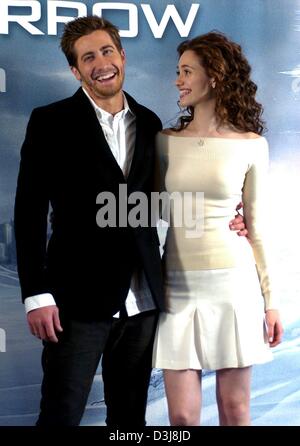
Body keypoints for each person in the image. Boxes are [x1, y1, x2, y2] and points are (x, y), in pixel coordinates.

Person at [14, 17, 246, 427]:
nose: (100, 62)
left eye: (106, 51)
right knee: (60, 416)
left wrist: (231, 216)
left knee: (129, 422)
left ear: (121, 55)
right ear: (75, 70)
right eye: (88, 57)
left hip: (143, 303)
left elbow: (167, 199)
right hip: (77, 303)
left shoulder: (151, 122)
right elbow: (29, 211)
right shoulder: (50, 121)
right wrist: (36, 294)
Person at [152, 31, 283, 426]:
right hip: (176, 285)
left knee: (236, 410)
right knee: (181, 418)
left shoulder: (251, 145)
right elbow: (147, 211)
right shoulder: (164, 142)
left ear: (216, 76)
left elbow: (257, 228)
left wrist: (271, 301)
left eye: (187, 71)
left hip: (233, 286)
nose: (178, 80)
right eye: (178, 71)